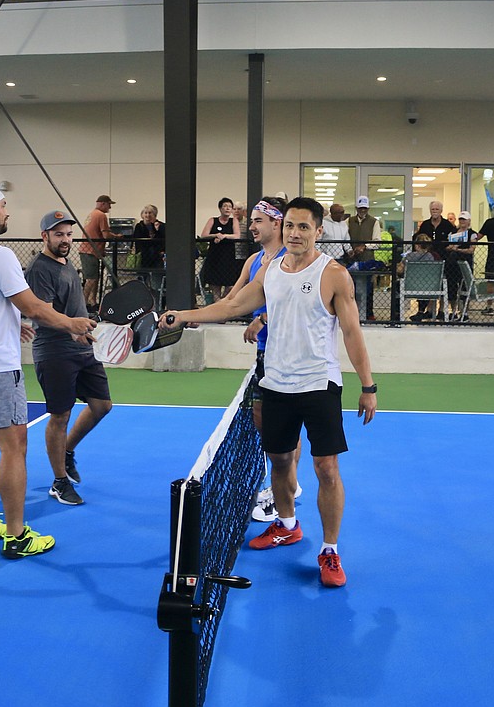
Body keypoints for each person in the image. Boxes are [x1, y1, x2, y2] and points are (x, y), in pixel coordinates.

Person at [162, 197, 378, 588]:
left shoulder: (333, 275)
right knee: (279, 463)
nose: (295, 233)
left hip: (319, 386)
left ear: (318, 231)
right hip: (276, 384)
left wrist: (368, 386)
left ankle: (329, 550)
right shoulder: (271, 271)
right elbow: (230, 305)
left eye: (304, 227)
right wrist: (184, 315)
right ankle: (288, 525)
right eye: (291, 226)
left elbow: (351, 333)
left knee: (326, 468)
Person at [0, 183, 96, 559]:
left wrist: (7, 323)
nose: (6, 212)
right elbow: (34, 306)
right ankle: (16, 535)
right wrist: (71, 324)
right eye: (2, 205)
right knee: (14, 448)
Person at [215, 197, 303, 522]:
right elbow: (232, 299)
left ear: (276, 222)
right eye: (251, 221)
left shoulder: (291, 259)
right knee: (261, 418)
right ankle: (289, 480)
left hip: (290, 354)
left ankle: (286, 488)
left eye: (257, 220)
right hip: (265, 352)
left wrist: (263, 317)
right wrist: (193, 316)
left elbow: (293, 300)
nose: (251, 226)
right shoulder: (253, 260)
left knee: (284, 425)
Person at [24, 210, 113, 507]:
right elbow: (44, 314)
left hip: (82, 349)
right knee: (60, 416)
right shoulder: (40, 269)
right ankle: (59, 482)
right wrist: (72, 328)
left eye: (69, 234)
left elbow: (70, 308)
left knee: (102, 406)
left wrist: (83, 325)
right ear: (45, 236)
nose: (65, 240)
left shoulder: (67, 263)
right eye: (59, 234)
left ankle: (67, 450)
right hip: (55, 353)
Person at [413, 200, 456, 321]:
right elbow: (419, 240)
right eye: (433, 209)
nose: (435, 211)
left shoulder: (448, 225)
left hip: (444, 260)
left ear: (441, 211)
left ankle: (441, 311)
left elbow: (453, 241)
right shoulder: (425, 225)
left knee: (444, 284)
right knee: (426, 285)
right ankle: (425, 310)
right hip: (427, 260)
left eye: (437, 209)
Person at [78, 194, 118, 312]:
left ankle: (92, 302)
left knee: (94, 278)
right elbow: (106, 235)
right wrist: (117, 236)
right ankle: (83, 304)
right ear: (103, 204)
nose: (109, 207)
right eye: (109, 204)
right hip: (90, 251)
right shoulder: (101, 215)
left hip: (88, 250)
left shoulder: (92, 214)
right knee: (91, 279)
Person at [199, 197, 241, 302]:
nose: (227, 209)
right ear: (220, 208)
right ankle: (216, 306)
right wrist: (215, 235)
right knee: (215, 285)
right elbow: (204, 235)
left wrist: (224, 236)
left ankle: (222, 303)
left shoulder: (233, 221)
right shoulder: (212, 220)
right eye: (225, 206)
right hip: (215, 256)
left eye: (230, 207)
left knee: (230, 284)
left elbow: (237, 235)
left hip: (228, 256)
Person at [348, 195, 380, 320]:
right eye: (360, 208)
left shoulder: (374, 222)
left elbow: (377, 242)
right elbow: (346, 238)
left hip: (367, 259)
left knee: (368, 287)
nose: (362, 211)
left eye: (365, 209)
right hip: (352, 259)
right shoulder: (349, 221)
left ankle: (368, 313)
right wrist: (350, 250)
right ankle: (351, 313)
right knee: (350, 287)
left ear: (368, 209)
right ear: (356, 208)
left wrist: (365, 246)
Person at [443, 211, 479, 319]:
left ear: (469, 221)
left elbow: (471, 250)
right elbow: (447, 245)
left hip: (465, 263)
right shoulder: (452, 232)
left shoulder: (472, 234)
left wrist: (457, 249)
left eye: (464, 219)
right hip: (452, 264)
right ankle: (453, 311)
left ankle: (465, 312)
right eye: (461, 219)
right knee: (452, 287)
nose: (462, 221)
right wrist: (450, 248)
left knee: (465, 287)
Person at [131, 204, 166, 304]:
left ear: (154, 215)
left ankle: (159, 303)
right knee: (143, 280)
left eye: (150, 213)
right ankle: (142, 303)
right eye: (145, 213)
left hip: (157, 258)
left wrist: (157, 229)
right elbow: (138, 242)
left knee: (157, 282)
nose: (147, 215)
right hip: (144, 257)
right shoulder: (139, 226)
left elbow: (162, 240)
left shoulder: (161, 225)